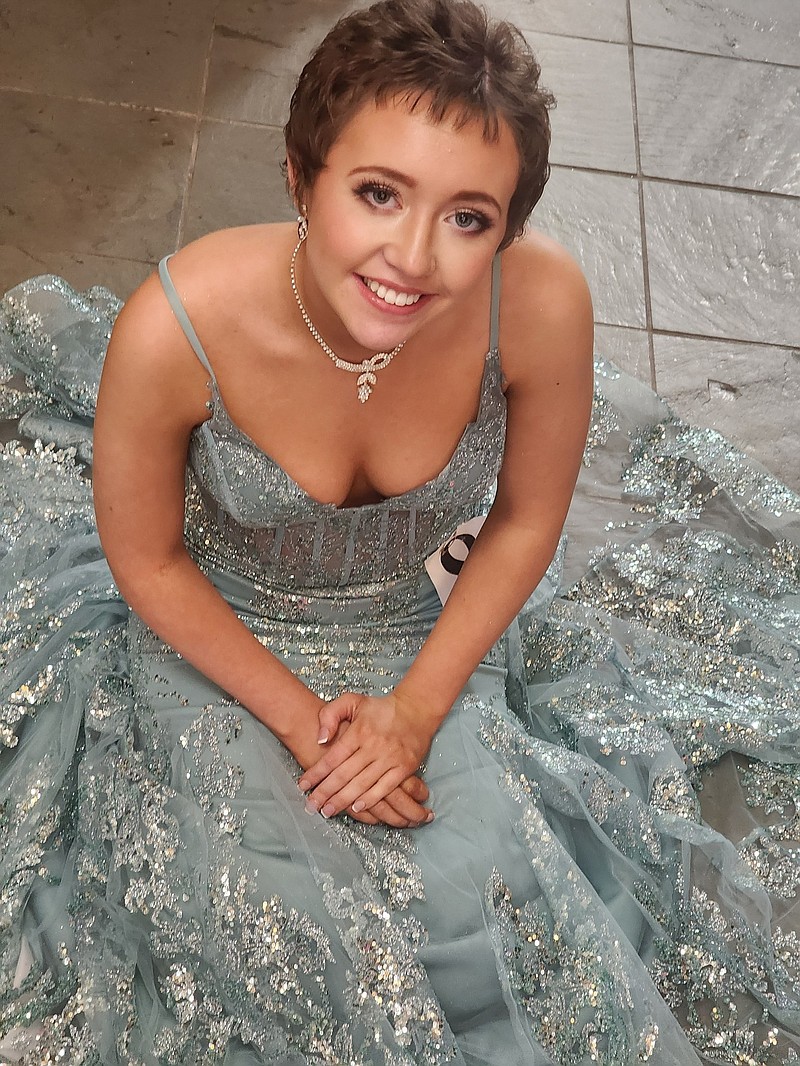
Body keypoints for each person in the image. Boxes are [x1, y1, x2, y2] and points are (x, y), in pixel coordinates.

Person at [1, 0, 798, 1063]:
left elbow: (521, 522)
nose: (412, 257)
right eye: (377, 194)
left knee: (488, 905)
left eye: (468, 217)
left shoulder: (540, 302)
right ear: (298, 177)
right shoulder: (175, 324)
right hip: (219, 633)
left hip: (413, 629)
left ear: (507, 228)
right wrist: (303, 723)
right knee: (270, 916)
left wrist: (414, 712)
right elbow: (146, 561)